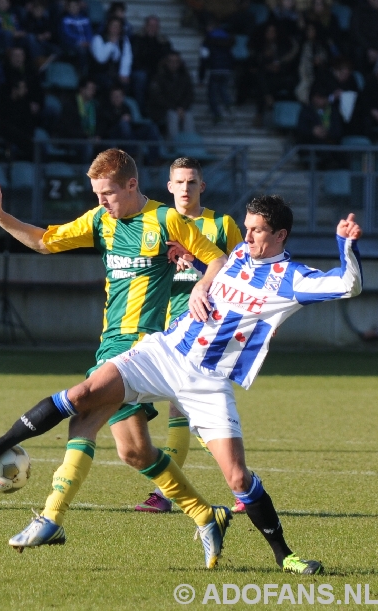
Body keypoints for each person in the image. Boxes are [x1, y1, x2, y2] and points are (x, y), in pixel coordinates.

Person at [0, 193, 363, 575]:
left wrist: (344, 246)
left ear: (280, 236)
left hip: (208, 381)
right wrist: (198, 281)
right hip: (164, 353)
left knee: (238, 477)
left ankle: (285, 557)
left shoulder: (292, 279)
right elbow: (215, 267)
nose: (248, 237)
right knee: (84, 396)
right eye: (247, 228)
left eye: (258, 231)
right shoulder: (240, 253)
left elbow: (348, 285)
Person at [0, 149, 233, 568]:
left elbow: (217, 259)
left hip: (142, 350)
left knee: (82, 401)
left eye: (107, 193)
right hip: (109, 344)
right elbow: (45, 241)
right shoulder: (100, 221)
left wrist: (201, 285)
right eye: (96, 193)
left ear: (131, 185)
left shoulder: (166, 220)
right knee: (134, 452)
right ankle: (206, 515)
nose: (101, 201)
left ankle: (43, 505)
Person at [134, 157, 243, 514]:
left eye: (192, 182)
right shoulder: (158, 223)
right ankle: (242, 485)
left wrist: (196, 264)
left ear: (202, 187)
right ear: (169, 187)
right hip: (165, 326)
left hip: (207, 330)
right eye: (179, 182)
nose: (185, 189)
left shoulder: (222, 225)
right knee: (187, 413)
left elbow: (240, 272)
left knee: (181, 409)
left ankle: (165, 494)